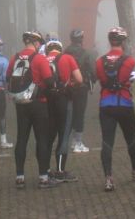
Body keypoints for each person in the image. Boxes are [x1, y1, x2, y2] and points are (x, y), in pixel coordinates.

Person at [6, 29, 59, 190]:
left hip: (21, 103)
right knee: (41, 140)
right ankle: (43, 178)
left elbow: (8, 78)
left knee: (21, 139)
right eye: (39, 44)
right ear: (36, 43)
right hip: (38, 103)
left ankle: (20, 177)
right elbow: (50, 82)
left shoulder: (14, 58)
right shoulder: (39, 58)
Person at [95, 26, 135, 193]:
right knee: (131, 139)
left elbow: (101, 79)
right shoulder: (130, 61)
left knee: (107, 142)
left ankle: (108, 179)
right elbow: (130, 79)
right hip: (124, 104)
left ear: (110, 41)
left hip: (106, 105)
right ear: (123, 41)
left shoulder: (99, 61)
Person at [45, 38, 82, 182]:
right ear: (60, 48)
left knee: (47, 136)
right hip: (64, 101)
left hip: (47, 102)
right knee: (64, 134)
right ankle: (60, 170)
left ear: (48, 49)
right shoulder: (67, 58)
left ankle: (45, 170)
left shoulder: (42, 59)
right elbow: (79, 79)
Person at [65, 28, 95, 153]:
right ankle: (78, 142)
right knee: (80, 114)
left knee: (70, 113)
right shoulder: (87, 53)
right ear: (81, 39)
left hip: (68, 87)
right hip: (81, 87)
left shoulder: (65, 52)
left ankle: (70, 141)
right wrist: (91, 83)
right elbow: (93, 71)